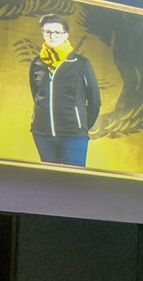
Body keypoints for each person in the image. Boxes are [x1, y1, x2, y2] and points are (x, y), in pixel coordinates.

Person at [28, 14, 101, 167]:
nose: (52, 36)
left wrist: (80, 125)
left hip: (73, 136)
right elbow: (37, 95)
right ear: (43, 33)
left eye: (57, 32)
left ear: (65, 35)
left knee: (73, 178)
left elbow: (95, 101)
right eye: (47, 32)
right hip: (42, 134)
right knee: (49, 178)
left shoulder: (80, 64)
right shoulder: (37, 63)